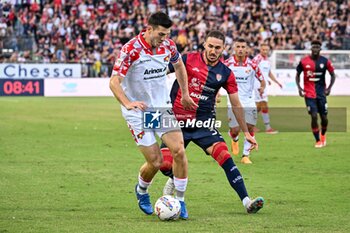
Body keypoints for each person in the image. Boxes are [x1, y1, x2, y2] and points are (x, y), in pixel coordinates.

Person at [160, 31, 265, 215]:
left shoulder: (225, 73)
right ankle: (177, 177)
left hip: (204, 124)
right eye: (210, 46)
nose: (213, 50)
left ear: (223, 49)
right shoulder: (186, 59)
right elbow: (159, 72)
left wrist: (246, 132)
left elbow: (236, 103)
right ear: (204, 45)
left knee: (225, 157)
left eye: (218, 47)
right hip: (176, 121)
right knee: (165, 165)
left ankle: (247, 202)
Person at [109, 12, 197, 219]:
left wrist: (184, 93)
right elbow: (114, 82)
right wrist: (128, 103)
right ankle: (141, 191)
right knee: (156, 162)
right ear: (148, 29)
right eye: (160, 34)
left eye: (167, 34)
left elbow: (179, 66)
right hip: (138, 113)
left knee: (178, 151)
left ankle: (181, 201)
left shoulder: (168, 45)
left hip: (160, 108)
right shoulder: (131, 49)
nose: (164, 38)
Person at [225, 38, 266, 164]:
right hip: (233, 99)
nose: (241, 49)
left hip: (248, 100)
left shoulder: (253, 64)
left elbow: (262, 79)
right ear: (234, 48)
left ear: (247, 49)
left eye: (243, 46)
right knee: (236, 129)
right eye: (238, 46)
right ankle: (234, 138)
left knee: (250, 127)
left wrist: (262, 87)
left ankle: (245, 155)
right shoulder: (227, 64)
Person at [295, 39, 336, 148]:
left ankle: (323, 135)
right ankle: (317, 140)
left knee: (324, 118)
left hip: (321, 94)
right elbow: (297, 74)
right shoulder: (303, 61)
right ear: (311, 48)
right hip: (309, 94)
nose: (315, 49)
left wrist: (329, 88)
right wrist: (299, 88)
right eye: (314, 46)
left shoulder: (325, 61)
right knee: (313, 116)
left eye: (318, 47)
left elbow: (333, 75)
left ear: (320, 49)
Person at [253, 43, 283, 134]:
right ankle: (268, 128)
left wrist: (276, 82)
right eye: (263, 50)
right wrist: (259, 82)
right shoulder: (257, 59)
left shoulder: (267, 60)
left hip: (264, 85)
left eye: (267, 50)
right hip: (258, 86)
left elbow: (268, 73)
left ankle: (250, 125)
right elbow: (251, 71)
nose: (265, 51)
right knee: (264, 105)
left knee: (258, 107)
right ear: (260, 50)